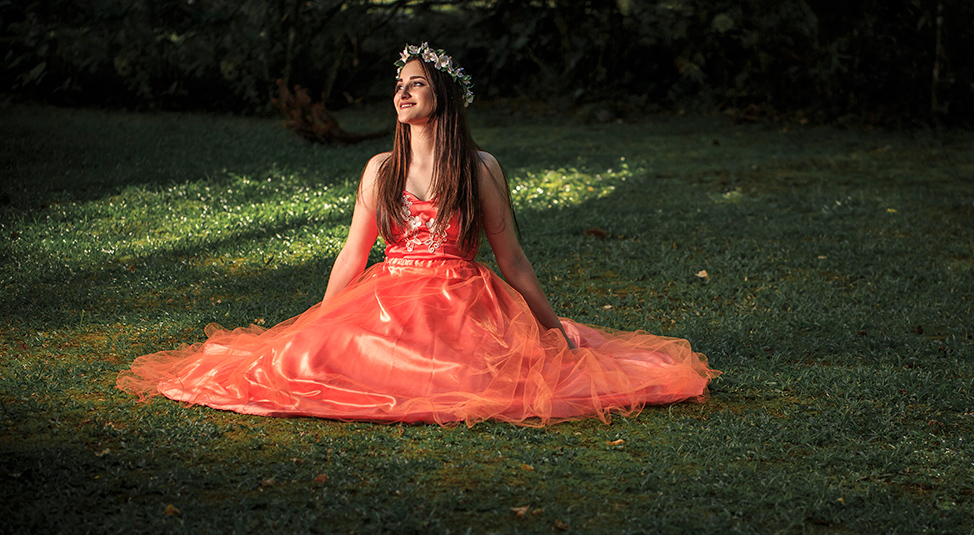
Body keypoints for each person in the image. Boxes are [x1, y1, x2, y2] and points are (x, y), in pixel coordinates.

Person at [117, 44, 718, 426]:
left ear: (443, 96)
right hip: (387, 296)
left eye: (417, 84)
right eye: (399, 84)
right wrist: (317, 321)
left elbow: (512, 259)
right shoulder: (381, 169)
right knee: (307, 357)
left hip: (462, 300)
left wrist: (551, 329)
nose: (401, 93)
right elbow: (353, 254)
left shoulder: (479, 168)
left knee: (469, 377)